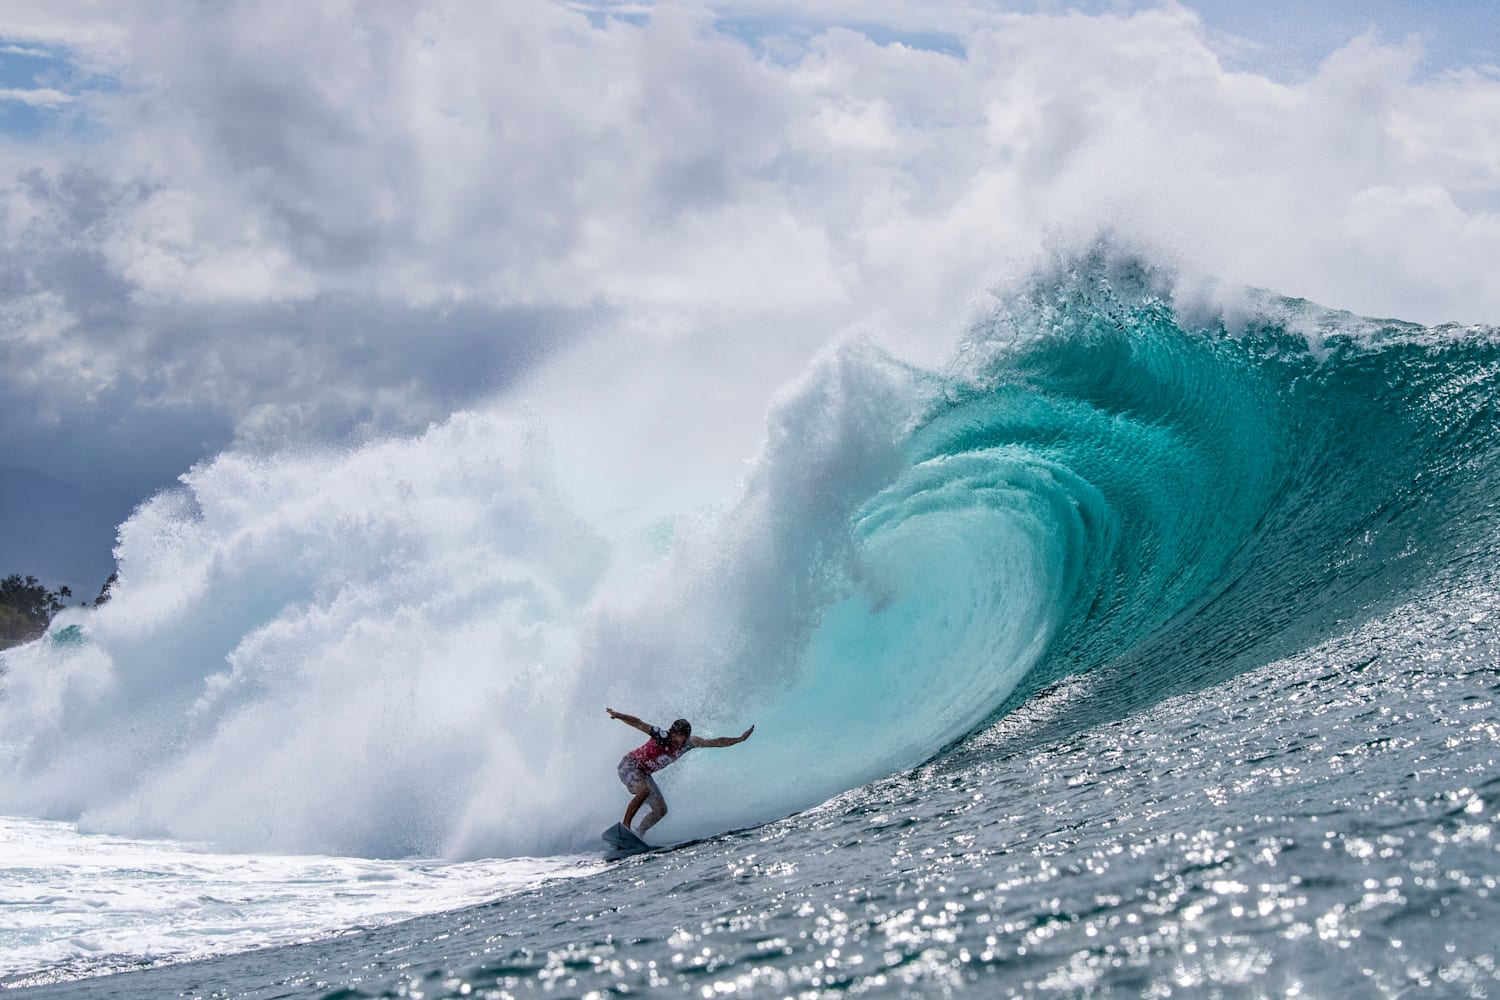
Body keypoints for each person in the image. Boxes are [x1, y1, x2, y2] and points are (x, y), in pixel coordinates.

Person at [606, 707, 754, 836]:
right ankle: (625, 826)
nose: (680, 740)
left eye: (684, 737)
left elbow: (715, 742)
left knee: (661, 810)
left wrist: (739, 739)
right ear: (673, 732)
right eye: (678, 735)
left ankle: (639, 832)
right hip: (629, 766)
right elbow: (638, 722)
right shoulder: (661, 736)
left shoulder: (688, 744)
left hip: (644, 774)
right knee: (644, 791)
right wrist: (618, 715)